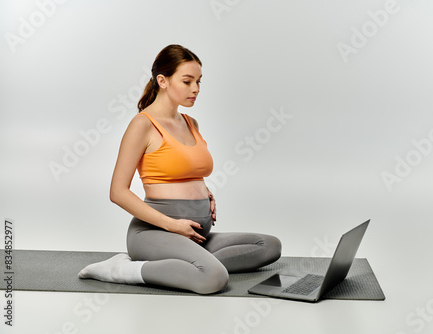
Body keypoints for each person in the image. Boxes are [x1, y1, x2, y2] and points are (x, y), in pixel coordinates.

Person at [78, 44, 281, 294]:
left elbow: (187, 169)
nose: (195, 89)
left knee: (268, 246)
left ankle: (190, 261)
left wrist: (204, 191)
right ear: (162, 81)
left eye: (198, 81)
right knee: (213, 278)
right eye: (187, 81)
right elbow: (117, 192)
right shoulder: (142, 125)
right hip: (153, 232)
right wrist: (172, 225)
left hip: (196, 234)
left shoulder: (190, 122)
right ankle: (121, 269)